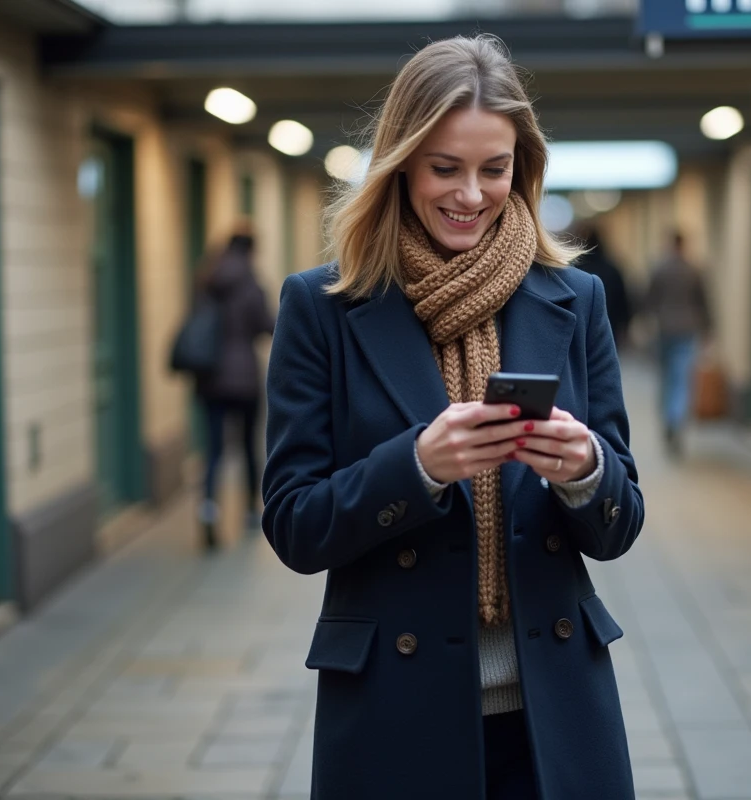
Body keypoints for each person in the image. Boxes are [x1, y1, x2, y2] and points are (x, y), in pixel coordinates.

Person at [261, 35, 644, 800]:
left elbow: (620, 524)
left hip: (554, 714)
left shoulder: (574, 299)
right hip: (395, 717)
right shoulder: (324, 308)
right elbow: (294, 525)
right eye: (445, 168)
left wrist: (586, 473)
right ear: (401, 163)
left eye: (494, 169)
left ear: (522, 169)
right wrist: (419, 466)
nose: (471, 194)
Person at [195, 226, 274, 550]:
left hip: (210, 377)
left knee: (213, 450)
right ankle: (250, 511)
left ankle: (209, 509)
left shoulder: (206, 279)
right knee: (245, 446)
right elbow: (268, 326)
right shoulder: (251, 283)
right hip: (243, 379)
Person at [644, 231, 711, 454]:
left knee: (666, 377)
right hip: (688, 329)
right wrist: (709, 329)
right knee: (681, 378)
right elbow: (703, 302)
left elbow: (650, 299)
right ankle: (676, 418)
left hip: (664, 328)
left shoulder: (660, 268)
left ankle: (668, 416)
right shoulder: (694, 270)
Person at [574, 225, 632, 349]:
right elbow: (622, 299)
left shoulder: (574, 271)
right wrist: (625, 324)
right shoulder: (612, 269)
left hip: (580, 327)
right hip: (610, 325)